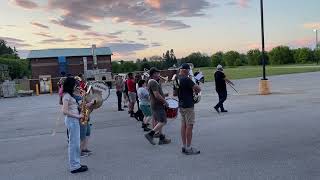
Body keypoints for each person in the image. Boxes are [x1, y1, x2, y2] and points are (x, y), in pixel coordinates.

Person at [62, 77, 88, 174]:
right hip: (72, 120)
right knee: (74, 144)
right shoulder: (66, 96)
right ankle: (74, 166)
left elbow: (72, 107)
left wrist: (82, 107)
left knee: (76, 144)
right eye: (74, 84)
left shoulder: (70, 95)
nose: (75, 86)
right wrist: (78, 115)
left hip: (74, 120)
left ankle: (76, 163)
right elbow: (64, 111)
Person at [177, 64, 201, 155]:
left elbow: (175, 93)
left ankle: (184, 146)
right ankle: (189, 147)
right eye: (189, 70)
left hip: (181, 104)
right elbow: (198, 89)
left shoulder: (177, 79)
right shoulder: (187, 79)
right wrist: (195, 84)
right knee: (190, 125)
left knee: (183, 125)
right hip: (188, 105)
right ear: (186, 70)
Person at [144, 67, 171, 145]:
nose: (159, 74)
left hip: (155, 104)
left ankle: (162, 139)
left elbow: (155, 94)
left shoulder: (153, 82)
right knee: (163, 121)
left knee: (160, 121)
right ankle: (150, 134)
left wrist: (164, 94)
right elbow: (156, 95)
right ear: (154, 74)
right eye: (157, 73)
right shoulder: (153, 82)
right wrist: (165, 101)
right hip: (157, 105)